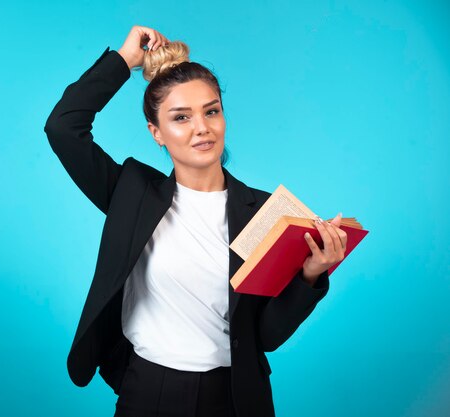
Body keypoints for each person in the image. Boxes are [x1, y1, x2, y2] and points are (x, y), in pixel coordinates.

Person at [44, 25, 347, 417]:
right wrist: (123, 60)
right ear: (157, 133)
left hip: (234, 398)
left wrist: (311, 275)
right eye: (181, 117)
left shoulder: (266, 213)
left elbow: (265, 337)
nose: (202, 128)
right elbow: (62, 127)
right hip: (147, 392)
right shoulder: (131, 194)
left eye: (211, 111)